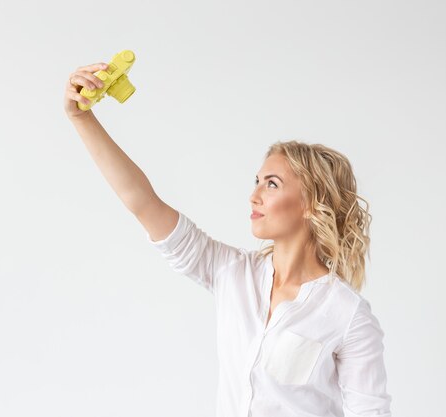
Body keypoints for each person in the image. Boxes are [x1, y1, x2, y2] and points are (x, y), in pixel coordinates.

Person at [64, 62, 393, 417]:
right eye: (257, 181)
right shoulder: (232, 272)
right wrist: (82, 119)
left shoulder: (347, 315)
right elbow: (143, 203)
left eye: (272, 184)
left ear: (312, 205)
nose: (254, 196)